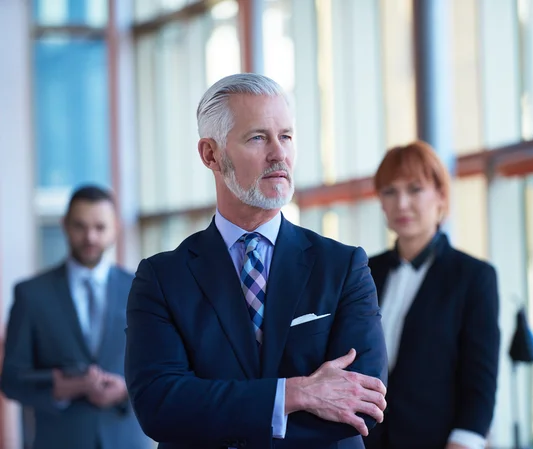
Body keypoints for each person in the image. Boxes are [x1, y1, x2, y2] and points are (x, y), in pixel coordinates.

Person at [124, 73, 388, 449]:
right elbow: (161, 406)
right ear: (210, 154)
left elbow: (363, 404)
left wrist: (221, 412)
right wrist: (294, 395)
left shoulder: (343, 267)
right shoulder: (162, 278)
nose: (279, 153)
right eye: (258, 137)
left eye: (286, 136)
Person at [363, 141, 500, 449]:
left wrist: (464, 443)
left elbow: (480, 382)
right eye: (389, 192)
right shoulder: (363, 271)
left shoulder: (473, 277)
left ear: (441, 196)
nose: (401, 203)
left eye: (415, 189)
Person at [1, 186, 150, 449]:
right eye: (80, 226)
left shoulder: (142, 289)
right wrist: (60, 386)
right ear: (65, 226)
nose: (90, 237)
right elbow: (11, 380)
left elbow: (166, 368)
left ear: (115, 228)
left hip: (126, 440)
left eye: (100, 227)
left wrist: (126, 389)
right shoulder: (31, 294)